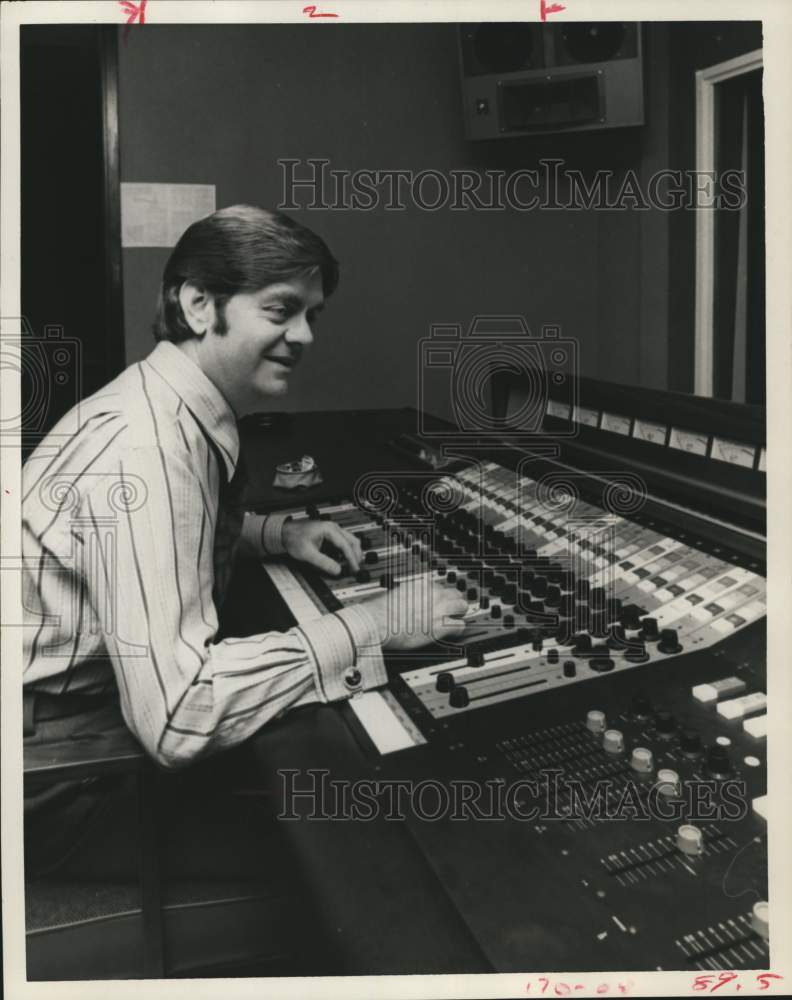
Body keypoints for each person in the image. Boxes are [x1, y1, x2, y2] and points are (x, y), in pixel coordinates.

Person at [22, 204, 467, 769]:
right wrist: (376, 623)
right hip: (45, 753)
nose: (304, 335)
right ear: (199, 304)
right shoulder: (147, 448)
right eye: (282, 309)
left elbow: (150, 535)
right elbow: (178, 717)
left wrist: (274, 534)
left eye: (313, 315)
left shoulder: (164, 404)